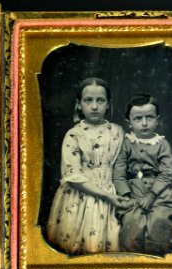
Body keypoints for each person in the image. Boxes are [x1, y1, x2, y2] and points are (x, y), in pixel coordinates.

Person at [47, 77, 130, 255]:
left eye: (100, 100)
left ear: (108, 104)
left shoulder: (117, 132)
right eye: (88, 100)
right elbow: (73, 175)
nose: (94, 106)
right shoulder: (74, 134)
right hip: (80, 197)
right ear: (79, 104)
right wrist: (106, 195)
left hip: (112, 193)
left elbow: (124, 166)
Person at [113, 93, 172, 256]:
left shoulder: (162, 144)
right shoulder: (126, 143)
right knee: (132, 223)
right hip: (133, 193)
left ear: (158, 120)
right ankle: (136, 265)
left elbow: (166, 173)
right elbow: (118, 173)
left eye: (149, 117)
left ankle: (157, 263)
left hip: (161, 194)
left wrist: (151, 196)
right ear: (129, 122)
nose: (144, 123)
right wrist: (126, 196)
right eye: (138, 119)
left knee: (159, 221)